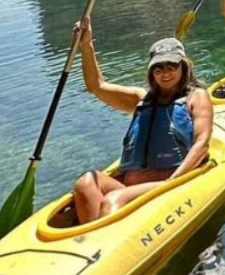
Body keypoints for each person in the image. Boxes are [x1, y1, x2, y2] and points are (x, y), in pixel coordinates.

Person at [71, 20, 214, 224]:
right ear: (151, 71)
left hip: (167, 182)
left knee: (114, 199)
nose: (165, 73)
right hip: (132, 186)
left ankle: (105, 241)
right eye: (158, 68)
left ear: (183, 67)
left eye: (171, 66)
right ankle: (90, 240)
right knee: (86, 182)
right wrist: (86, 45)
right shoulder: (141, 98)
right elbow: (96, 86)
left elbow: (202, 143)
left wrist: (171, 184)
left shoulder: (196, 97)